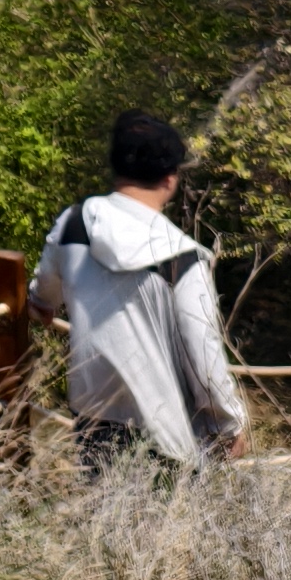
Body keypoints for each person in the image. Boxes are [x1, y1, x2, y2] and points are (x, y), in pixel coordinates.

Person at [29, 112, 248, 469]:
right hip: (168, 432)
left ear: (116, 167)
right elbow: (202, 349)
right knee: (165, 506)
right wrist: (228, 422)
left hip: (93, 414)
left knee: (103, 502)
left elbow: (43, 297)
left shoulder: (74, 223)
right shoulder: (182, 254)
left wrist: (40, 303)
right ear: (170, 179)